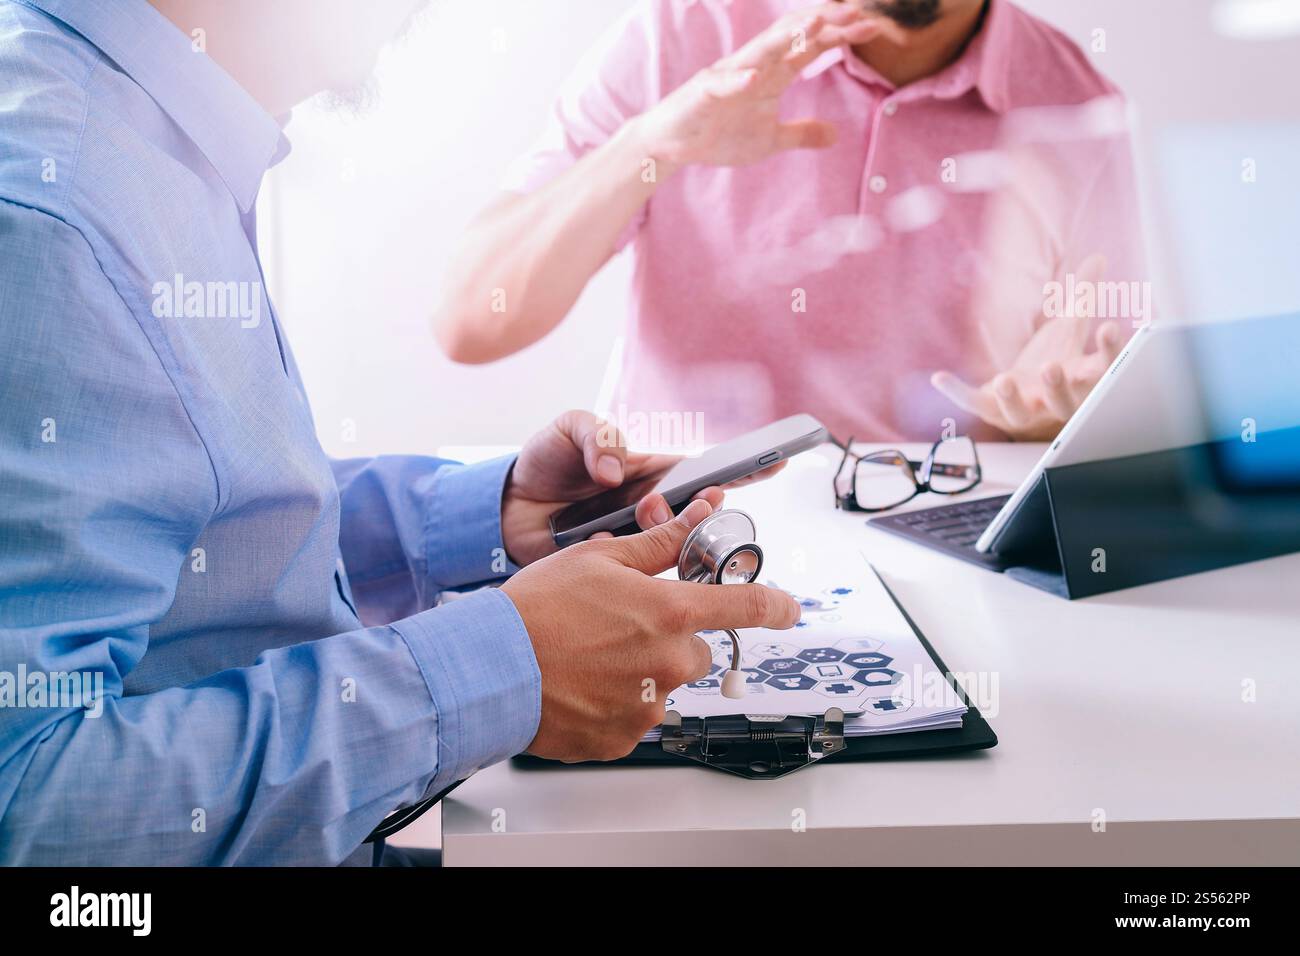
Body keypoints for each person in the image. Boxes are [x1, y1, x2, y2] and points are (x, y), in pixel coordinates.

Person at [0, 0, 799, 866]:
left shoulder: (135, 144)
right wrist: (497, 667)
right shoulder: (58, 221)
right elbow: (30, 808)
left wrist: (483, 518)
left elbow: (203, 530)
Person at [434, 0, 1148, 444]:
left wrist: (1056, 420)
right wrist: (651, 147)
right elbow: (471, 320)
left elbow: (1103, 402)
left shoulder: (1079, 104)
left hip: (945, 539)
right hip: (675, 540)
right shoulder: (681, 33)